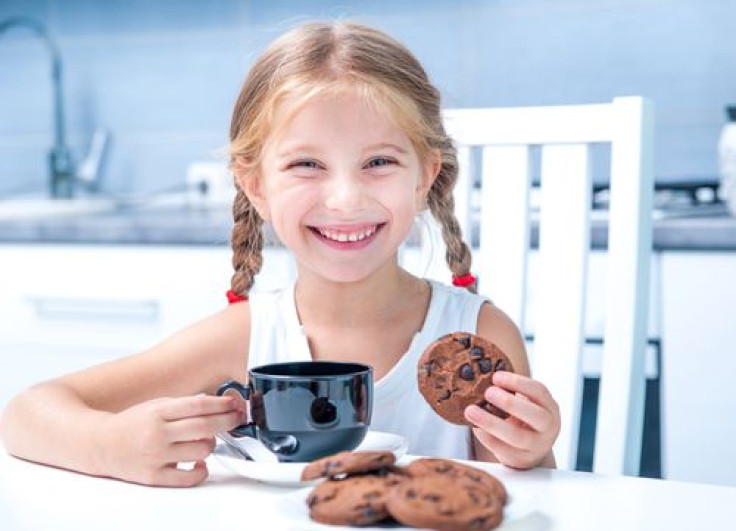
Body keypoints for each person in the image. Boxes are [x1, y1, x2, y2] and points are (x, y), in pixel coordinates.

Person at [0, 22, 560, 487]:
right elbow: (25, 414)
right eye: (306, 165)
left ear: (425, 178)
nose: (345, 199)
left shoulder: (480, 334)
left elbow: (529, 503)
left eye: (379, 162)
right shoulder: (241, 337)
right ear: (256, 188)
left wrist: (531, 454)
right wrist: (111, 445)